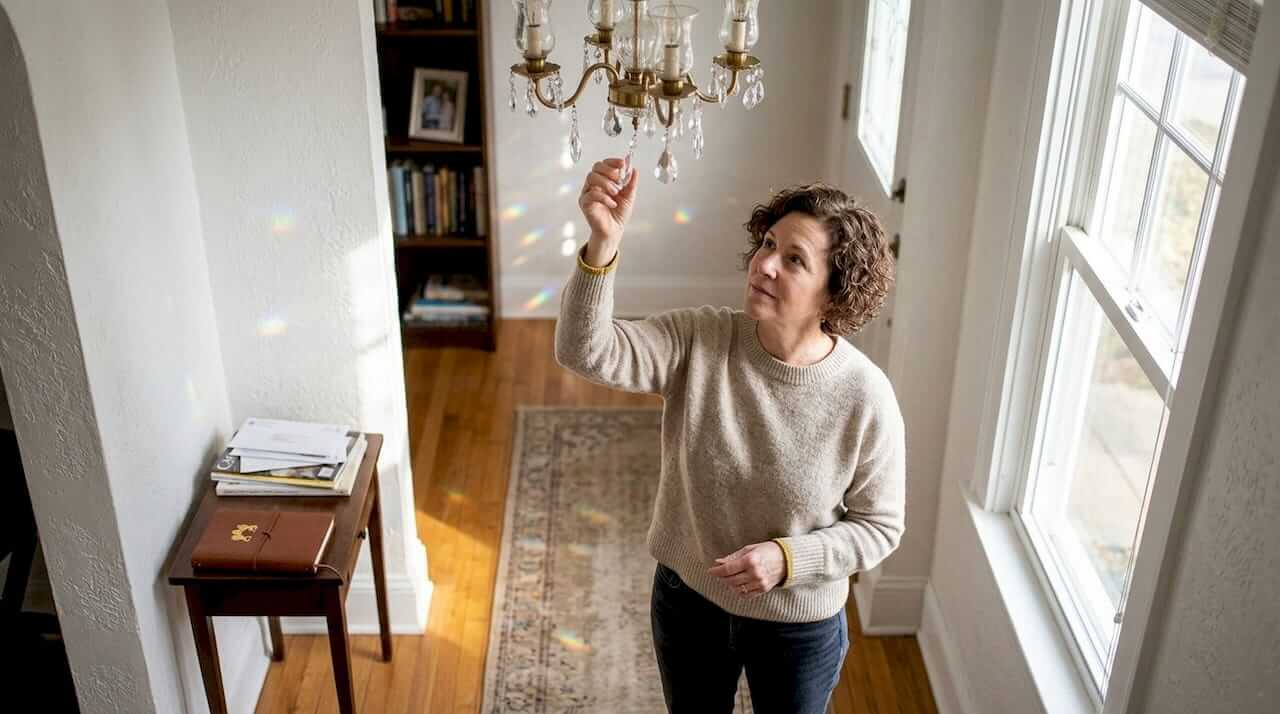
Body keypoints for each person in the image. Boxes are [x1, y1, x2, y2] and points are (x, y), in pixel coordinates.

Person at [555, 158, 906, 714]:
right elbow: (585, 351)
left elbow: (880, 527)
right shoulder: (699, 339)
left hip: (798, 626)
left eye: (794, 260)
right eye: (768, 244)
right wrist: (602, 244)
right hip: (687, 600)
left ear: (833, 294)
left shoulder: (865, 396)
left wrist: (789, 559)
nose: (764, 265)